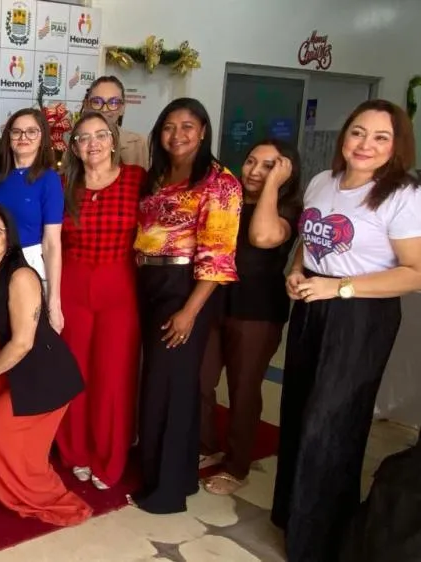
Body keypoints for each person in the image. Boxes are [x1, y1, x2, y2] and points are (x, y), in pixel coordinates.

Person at [272, 99, 421, 562]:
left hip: (361, 316)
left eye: (381, 137)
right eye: (358, 132)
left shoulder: (403, 195)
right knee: (297, 411)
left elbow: (415, 273)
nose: (366, 145)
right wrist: (296, 273)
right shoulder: (323, 182)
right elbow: (310, 241)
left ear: (396, 146)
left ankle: (319, 537)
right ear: (344, 136)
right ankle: (291, 514)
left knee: (331, 424)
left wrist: (342, 288)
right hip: (314, 305)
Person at [131, 98, 242, 515]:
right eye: (169, 127)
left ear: (203, 131)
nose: (177, 135)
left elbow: (218, 256)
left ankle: (165, 493)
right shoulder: (158, 175)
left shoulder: (219, 181)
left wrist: (190, 311)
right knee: (161, 384)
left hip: (185, 288)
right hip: (149, 280)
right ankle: (173, 475)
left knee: (170, 388)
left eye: (187, 127)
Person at [0, 204, 89, 527]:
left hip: (44, 377)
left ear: (9, 238)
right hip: (12, 369)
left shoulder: (21, 276)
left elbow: (23, 343)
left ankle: (37, 493)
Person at [199, 139, 302, 495]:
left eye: (269, 165)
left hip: (257, 310)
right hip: (215, 301)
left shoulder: (288, 208)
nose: (256, 171)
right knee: (201, 379)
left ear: (287, 170)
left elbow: (261, 236)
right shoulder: (230, 199)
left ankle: (236, 464)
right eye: (251, 162)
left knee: (244, 389)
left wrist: (273, 186)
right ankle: (205, 443)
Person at [55, 112, 145, 490]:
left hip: (119, 285)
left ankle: (109, 457)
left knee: (113, 376)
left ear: (113, 140)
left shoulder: (138, 180)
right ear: (73, 147)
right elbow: (51, 243)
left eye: (99, 136)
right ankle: (75, 450)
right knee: (75, 373)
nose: (92, 144)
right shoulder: (63, 184)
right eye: (83, 138)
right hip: (72, 283)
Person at [0, 108, 64, 332]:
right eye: (17, 132)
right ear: (8, 137)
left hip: (32, 264)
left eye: (32, 132)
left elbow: (52, 242)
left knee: (30, 338)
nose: (23, 138)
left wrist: (54, 300)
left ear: (42, 138)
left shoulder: (49, 180)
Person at [81, 76, 150, 168]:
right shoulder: (76, 141)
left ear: (122, 108)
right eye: (97, 102)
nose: (105, 109)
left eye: (113, 103)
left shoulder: (138, 144)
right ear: (86, 105)